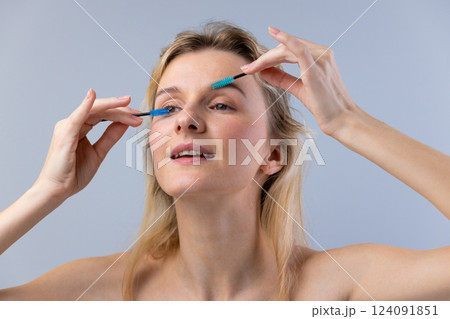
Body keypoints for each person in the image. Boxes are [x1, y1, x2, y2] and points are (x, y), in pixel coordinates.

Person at [0, 21, 449, 301]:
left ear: (273, 154)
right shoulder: (98, 293)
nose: (187, 121)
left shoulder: (341, 286)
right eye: (169, 107)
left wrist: (349, 121)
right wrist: (46, 192)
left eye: (220, 106)